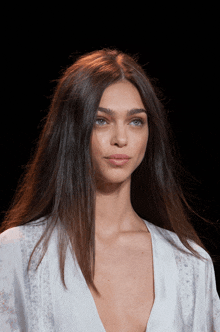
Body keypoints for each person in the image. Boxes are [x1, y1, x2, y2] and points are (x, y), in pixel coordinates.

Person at [0, 48, 219, 331]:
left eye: (136, 121)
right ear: (72, 129)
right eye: (101, 120)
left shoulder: (190, 264)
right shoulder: (19, 254)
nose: (121, 138)